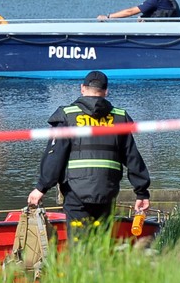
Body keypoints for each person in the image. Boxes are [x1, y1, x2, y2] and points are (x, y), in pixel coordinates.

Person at [27, 70, 151, 225]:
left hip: (75, 192)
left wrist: (41, 188)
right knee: (100, 242)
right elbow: (132, 157)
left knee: (79, 243)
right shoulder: (119, 118)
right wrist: (142, 193)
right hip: (107, 191)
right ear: (106, 91)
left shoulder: (67, 116)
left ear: (82, 88)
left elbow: (55, 155)